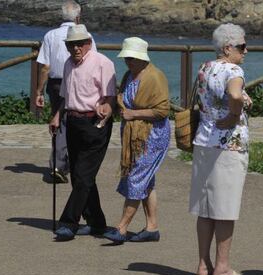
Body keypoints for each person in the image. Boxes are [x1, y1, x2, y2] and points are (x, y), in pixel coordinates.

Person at [188, 23, 251, 275]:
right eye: (242, 46)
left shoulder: (205, 68)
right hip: (229, 145)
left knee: (206, 206)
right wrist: (234, 114)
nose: (246, 51)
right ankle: (222, 268)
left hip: (204, 141)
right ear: (228, 48)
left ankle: (203, 265)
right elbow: (235, 93)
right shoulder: (233, 70)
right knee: (225, 209)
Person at [50, 24, 116, 241]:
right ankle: (96, 222)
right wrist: (58, 115)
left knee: (84, 176)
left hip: (94, 122)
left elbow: (110, 96)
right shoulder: (68, 63)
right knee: (80, 175)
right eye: (71, 44)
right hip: (73, 121)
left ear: (88, 43)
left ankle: (69, 222)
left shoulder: (103, 62)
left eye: (80, 43)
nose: (75, 48)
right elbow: (65, 95)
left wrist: (105, 110)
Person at [103, 37, 170, 244]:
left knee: (136, 179)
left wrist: (133, 114)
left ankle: (122, 228)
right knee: (146, 181)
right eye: (126, 58)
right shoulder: (128, 75)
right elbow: (122, 101)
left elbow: (163, 110)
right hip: (134, 136)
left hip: (152, 136)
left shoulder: (155, 77)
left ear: (142, 58)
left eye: (132, 58)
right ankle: (152, 227)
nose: (128, 61)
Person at [35, 0, 96, 183]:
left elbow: (45, 67)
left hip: (55, 82)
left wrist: (38, 91)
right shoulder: (87, 35)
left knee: (59, 120)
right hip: (80, 80)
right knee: (79, 118)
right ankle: (72, 163)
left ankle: (59, 164)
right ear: (78, 17)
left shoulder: (50, 35)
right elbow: (93, 60)